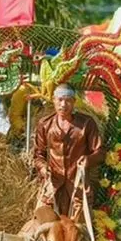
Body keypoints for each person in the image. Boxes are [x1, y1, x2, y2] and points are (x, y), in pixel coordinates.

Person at [33, 83, 105, 220]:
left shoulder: (86, 124)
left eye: (68, 100)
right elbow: (38, 155)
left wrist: (88, 160)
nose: (63, 104)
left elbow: (100, 152)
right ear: (53, 100)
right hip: (52, 188)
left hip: (78, 188)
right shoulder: (45, 124)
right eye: (60, 100)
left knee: (79, 232)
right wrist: (43, 168)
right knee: (42, 224)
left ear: (74, 102)